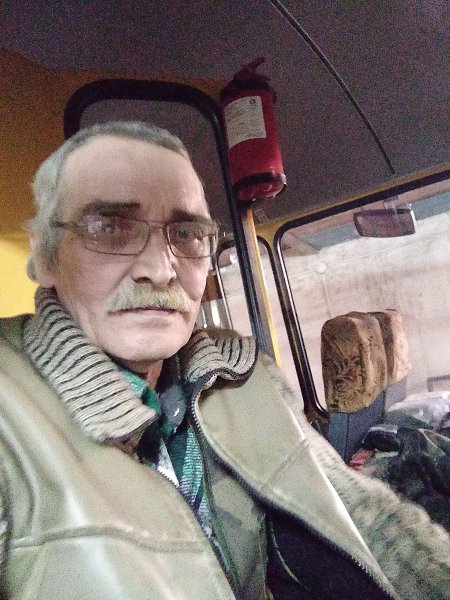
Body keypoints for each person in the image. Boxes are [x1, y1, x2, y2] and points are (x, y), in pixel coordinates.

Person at [0, 121, 448, 600]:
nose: (160, 269)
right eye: (109, 228)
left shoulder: (243, 371)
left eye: (187, 233)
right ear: (45, 258)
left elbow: (354, 507)